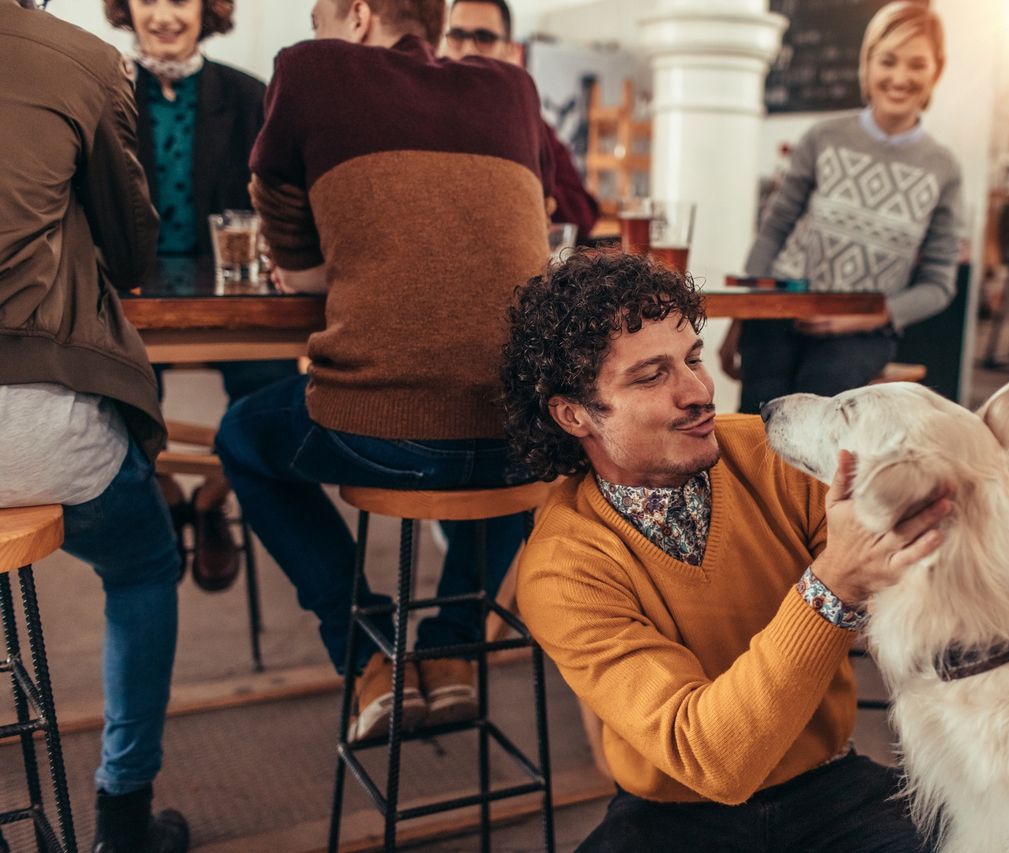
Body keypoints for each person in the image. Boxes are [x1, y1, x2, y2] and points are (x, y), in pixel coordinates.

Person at [502, 251, 951, 851]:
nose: (698, 392)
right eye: (651, 375)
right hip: (674, 813)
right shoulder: (563, 568)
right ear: (573, 414)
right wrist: (833, 586)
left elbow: (924, 586)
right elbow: (710, 758)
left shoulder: (769, 452)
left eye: (692, 358)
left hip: (829, 784)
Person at [214, 0, 552, 742]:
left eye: (318, 18)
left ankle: (366, 651)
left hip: (386, 434)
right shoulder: (513, 87)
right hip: (526, 438)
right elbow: (543, 212)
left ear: (358, 15)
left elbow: (297, 266)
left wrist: (321, 266)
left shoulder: (309, 70)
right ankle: (455, 644)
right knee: (513, 421)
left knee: (241, 435)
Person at [0, 1, 188, 850]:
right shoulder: (80, 59)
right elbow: (129, 246)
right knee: (145, 564)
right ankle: (122, 816)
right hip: (37, 415)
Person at [104, 0, 298, 591]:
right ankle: (162, 492)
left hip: (229, 291)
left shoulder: (248, 94)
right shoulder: (99, 90)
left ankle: (214, 498)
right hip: (130, 293)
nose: (164, 14)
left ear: (207, 10)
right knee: (112, 393)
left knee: (275, 394)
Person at [723, 1, 963, 414]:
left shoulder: (944, 169)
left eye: (916, 65)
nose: (900, 77)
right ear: (866, 65)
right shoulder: (822, 138)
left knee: (817, 409)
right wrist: (741, 317)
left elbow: (938, 284)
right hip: (784, 307)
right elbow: (775, 229)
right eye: (887, 61)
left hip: (865, 329)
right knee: (756, 413)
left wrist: (870, 318)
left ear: (936, 73)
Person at [442, 0, 600, 238]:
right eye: (458, 36)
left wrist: (522, 185)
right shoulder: (426, 113)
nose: (468, 50)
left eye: (484, 38)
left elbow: (583, 211)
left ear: (509, 50)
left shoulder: (529, 123)